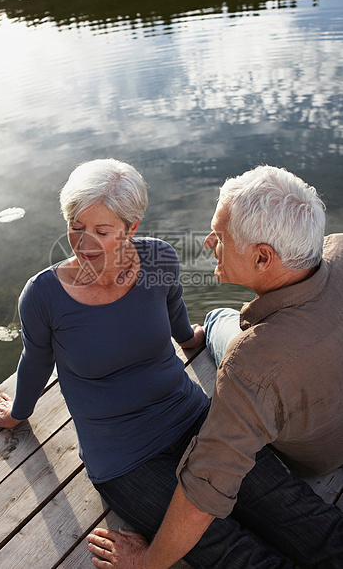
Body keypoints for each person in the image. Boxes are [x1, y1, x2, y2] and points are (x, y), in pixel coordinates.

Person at [0, 160, 343, 569]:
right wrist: (17, 413)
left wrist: (191, 339)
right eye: (75, 226)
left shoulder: (159, 259)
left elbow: (174, 313)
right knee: (225, 548)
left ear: (131, 228)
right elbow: (34, 362)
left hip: (192, 416)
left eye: (101, 231)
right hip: (122, 457)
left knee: (296, 510)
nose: (83, 243)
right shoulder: (42, 295)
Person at [88, 164, 343, 568]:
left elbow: (205, 489)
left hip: (311, 448)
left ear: (263, 257)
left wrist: (149, 561)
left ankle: (211, 323)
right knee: (226, 320)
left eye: (219, 237)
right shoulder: (339, 248)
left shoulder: (251, 364)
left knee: (221, 321)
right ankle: (215, 323)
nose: (208, 243)